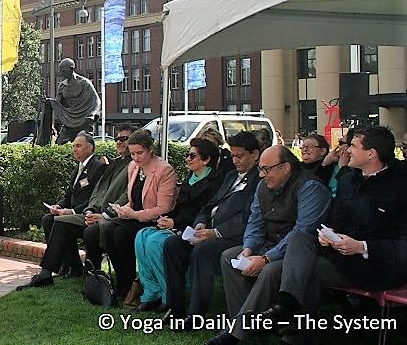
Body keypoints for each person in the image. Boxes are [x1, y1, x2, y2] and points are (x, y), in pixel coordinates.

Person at [258, 126, 407, 343]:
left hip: (380, 265)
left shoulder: (401, 186)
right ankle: (286, 308)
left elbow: (402, 245)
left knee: (303, 269)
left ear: (371, 153)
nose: (346, 152)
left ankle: (293, 331)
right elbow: (335, 220)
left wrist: (362, 247)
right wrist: (327, 234)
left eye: (352, 146)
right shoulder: (349, 180)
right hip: (342, 254)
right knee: (301, 239)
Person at [206, 146, 332, 345]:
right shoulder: (263, 186)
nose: (262, 174)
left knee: (270, 270)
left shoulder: (310, 187)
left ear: (285, 167)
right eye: (260, 169)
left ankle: (237, 332)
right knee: (230, 256)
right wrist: (247, 250)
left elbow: (303, 232)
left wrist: (266, 258)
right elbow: (255, 223)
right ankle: (248, 323)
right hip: (269, 243)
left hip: (299, 254)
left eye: (267, 169)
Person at [162, 131, 262, 324]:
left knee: (203, 251)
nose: (235, 160)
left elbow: (248, 217)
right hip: (209, 230)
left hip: (234, 237)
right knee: (173, 245)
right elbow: (211, 205)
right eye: (232, 155)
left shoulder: (259, 180)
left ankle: (196, 314)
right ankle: (176, 308)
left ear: (255, 155)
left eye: (240, 156)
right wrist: (200, 222)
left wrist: (216, 233)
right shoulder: (231, 176)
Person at [17, 126, 133, 290]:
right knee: (51, 219)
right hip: (92, 213)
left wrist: (98, 213)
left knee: (62, 223)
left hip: (109, 217)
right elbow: (93, 194)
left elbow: (125, 195)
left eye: (124, 139)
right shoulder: (112, 164)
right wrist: (84, 209)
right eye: (117, 139)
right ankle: (69, 267)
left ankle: (48, 274)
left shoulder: (105, 166)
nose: (119, 142)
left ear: (90, 148)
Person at [134, 138, 221, 312]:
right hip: (179, 224)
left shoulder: (214, 183)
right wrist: (166, 218)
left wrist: (174, 221)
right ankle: (152, 291)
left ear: (206, 159)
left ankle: (168, 295)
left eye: (192, 155)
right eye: (187, 154)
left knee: (155, 242)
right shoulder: (191, 177)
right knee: (141, 235)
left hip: (194, 229)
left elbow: (199, 213)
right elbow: (180, 207)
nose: (187, 159)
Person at [102, 129, 178, 299]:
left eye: (139, 153)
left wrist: (134, 214)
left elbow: (163, 208)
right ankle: (124, 279)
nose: (135, 157)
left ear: (150, 149)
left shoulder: (164, 170)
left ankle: (132, 283)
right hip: (135, 216)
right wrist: (123, 210)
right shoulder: (133, 167)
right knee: (108, 231)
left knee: (121, 234)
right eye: (132, 153)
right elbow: (133, 198)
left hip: (154, 220)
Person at [38, 58, 101, 145]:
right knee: (59, 144)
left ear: (72, 69)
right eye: (61, 71)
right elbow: (57, 103)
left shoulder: (84, 83)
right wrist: (47, 101)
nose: (62, 73)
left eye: (64, 71)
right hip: (69, 120)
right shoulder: (62, 85)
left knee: (84, 144)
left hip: (83, 119)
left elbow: (96, 101)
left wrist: (92, 115)